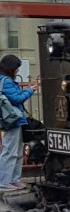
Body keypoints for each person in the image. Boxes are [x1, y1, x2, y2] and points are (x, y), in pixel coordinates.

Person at [0, 54, 38, 189]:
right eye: (16, 68)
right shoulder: (6, 81)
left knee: (15, 150)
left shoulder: (3, 79)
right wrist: (30, 90)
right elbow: (16, 99)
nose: (17, 70)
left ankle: (13, 179)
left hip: (12, 119)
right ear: (11, 68)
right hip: (13, 119)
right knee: (10, 150)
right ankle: (5, 181)